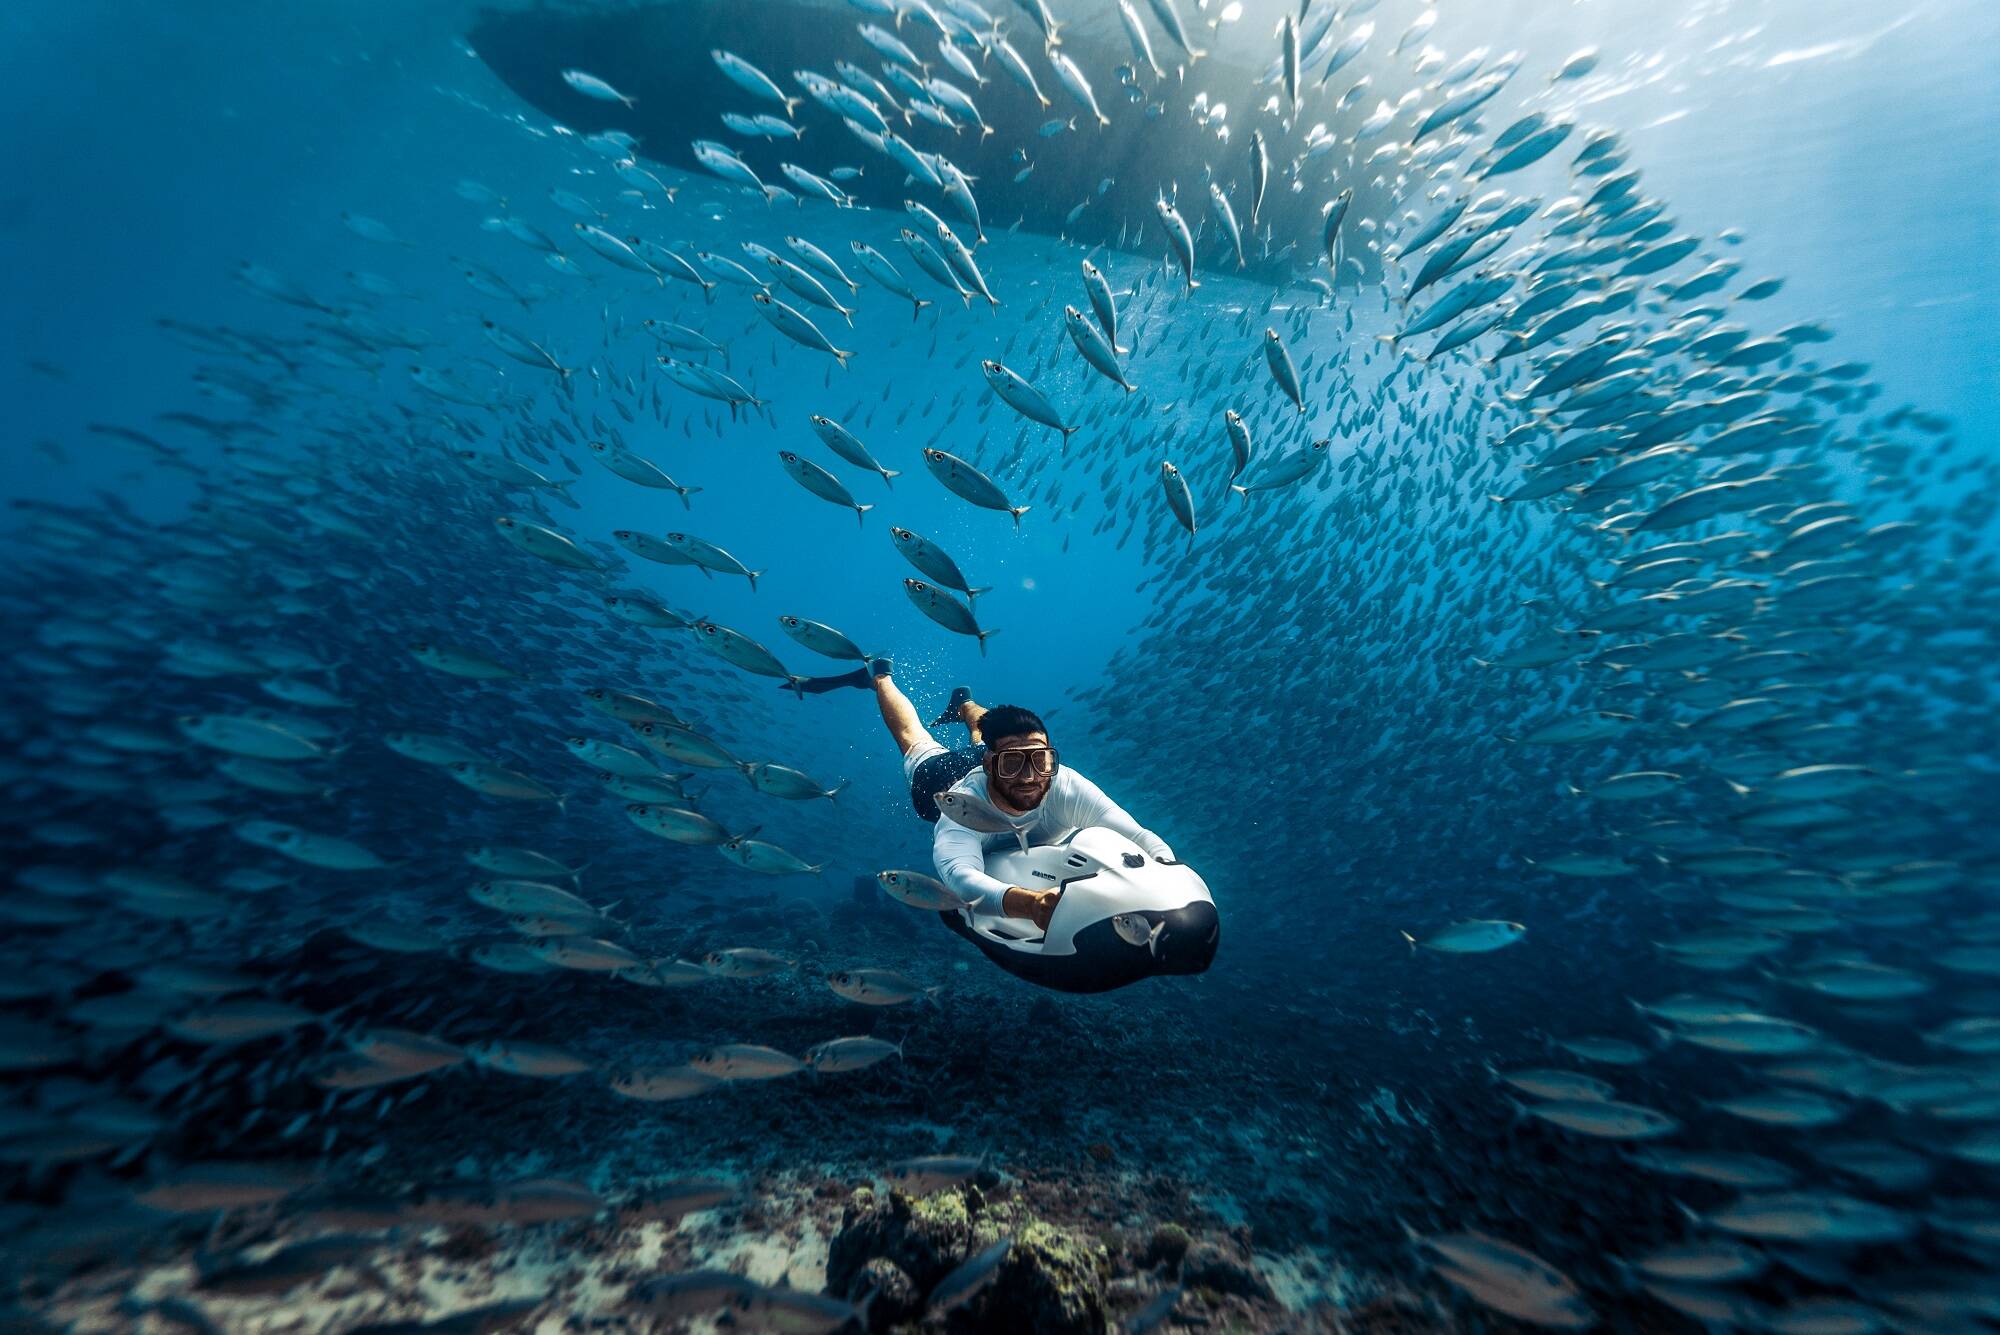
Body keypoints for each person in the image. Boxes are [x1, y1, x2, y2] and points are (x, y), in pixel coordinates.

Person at [846, 659, 1174, 933]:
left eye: (1041, 759)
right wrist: (1030, 905)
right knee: (913, 738)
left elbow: (1137, 834)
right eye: (1014, 762)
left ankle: (964, 704)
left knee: (983, 735)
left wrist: (1168, 867)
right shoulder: (958, 809)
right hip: (942, 776)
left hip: (990, 760)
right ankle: (880, 676)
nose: (1030, 777)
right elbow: (959, 878)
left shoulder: (1064, 784)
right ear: (991, 765)